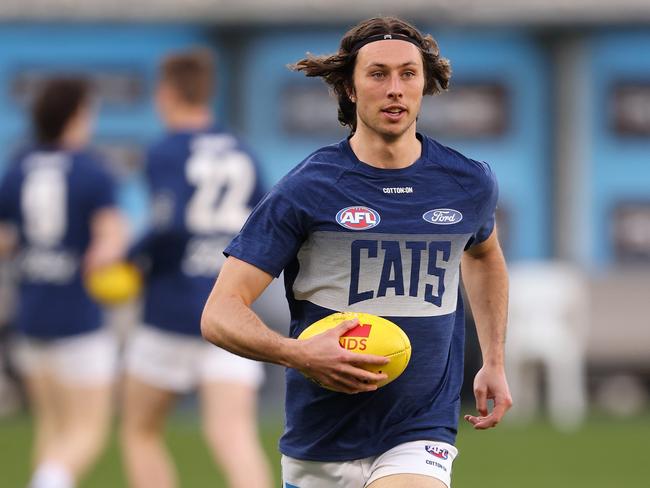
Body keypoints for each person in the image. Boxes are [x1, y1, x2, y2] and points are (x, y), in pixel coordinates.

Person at [201, 16, 512, 488]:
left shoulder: (467, 182)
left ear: (425, 84)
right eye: (378, 74)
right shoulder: (308, 188)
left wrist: (493, 360)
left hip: (420, 429)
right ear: (349, 88)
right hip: (320, 442)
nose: (395, 89)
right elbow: (219, 313)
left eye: (408, 73)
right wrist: (299, 354)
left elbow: (484, 255)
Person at [120, 49, 272, 488]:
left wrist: (129, 259)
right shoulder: (243, 149)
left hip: (169, 309)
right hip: (229, 307)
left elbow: (170, 224)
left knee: (140, 431)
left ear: (165, 92)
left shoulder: (166, 150)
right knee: (234, 437)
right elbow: (260, 226)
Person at [0, 78, 127, 488]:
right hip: (78, 319)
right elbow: (110, 240)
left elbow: (4, 241)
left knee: (52, 429)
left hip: (31, 317)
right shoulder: (91, 169)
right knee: (88, 428)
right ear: (75, 115)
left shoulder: (19, 165)